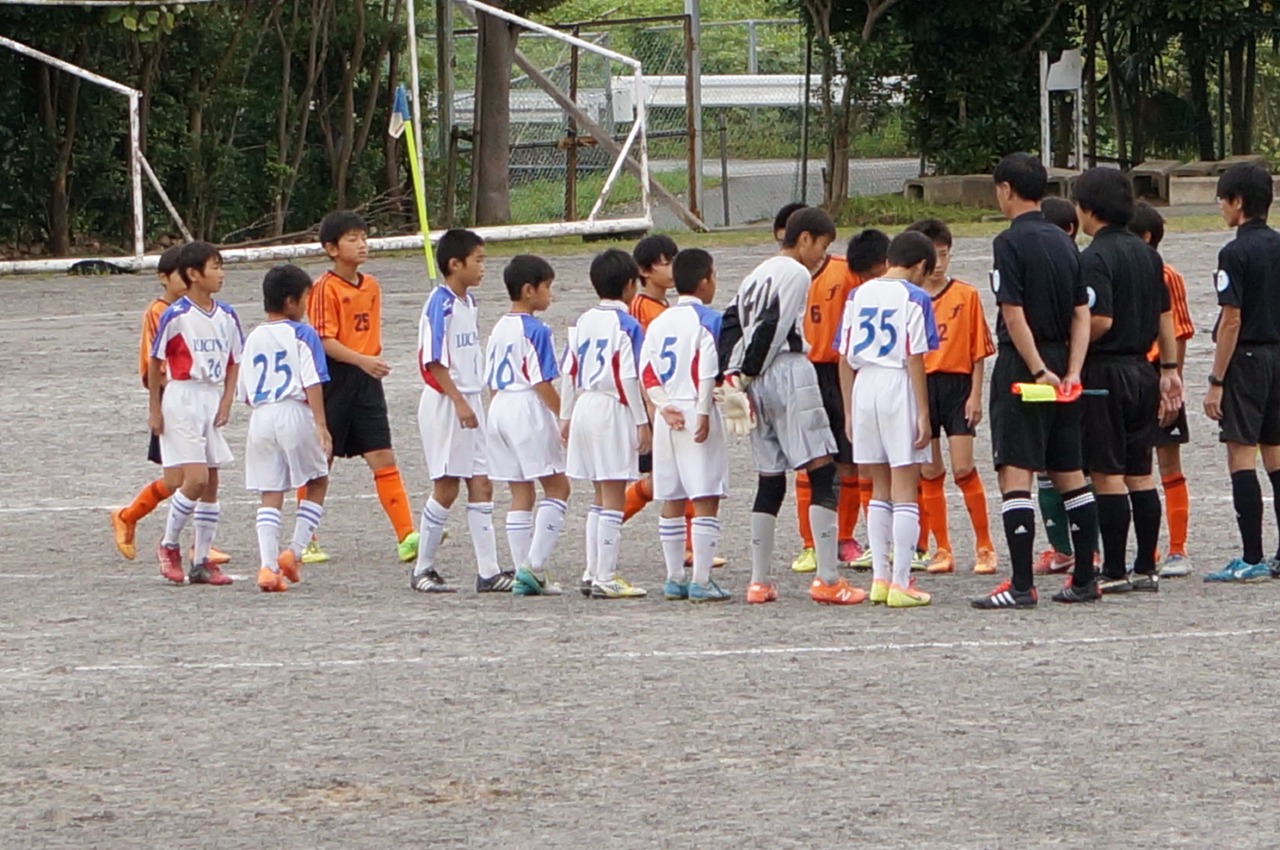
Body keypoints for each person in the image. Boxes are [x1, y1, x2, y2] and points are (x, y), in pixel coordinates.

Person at [971, 154, 1099, 609]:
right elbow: (1081, 313)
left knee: (1016, 470)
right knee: (1069, 471)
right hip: (1065, 362)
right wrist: (1072, 370)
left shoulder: (1009, 242)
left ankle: (1022, 584)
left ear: (1006, 189)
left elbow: (1012, 312)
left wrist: (1038, 368)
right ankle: (1085, 578)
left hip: (1024, 367)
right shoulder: (1065, 241)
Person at [720, 206, 866, 605]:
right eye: (821, 245)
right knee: (822, 470)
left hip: (756, 380)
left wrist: (730, 375)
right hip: (785, 369)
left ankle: (759, 581)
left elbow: (730, 321)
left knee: (770, 478)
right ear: (804, 239)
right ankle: (828, 578)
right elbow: (774, 324)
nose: (822, 255)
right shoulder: (796, 273)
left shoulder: (756, 273)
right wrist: (747, 371)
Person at [1073, 168, 1182, 596]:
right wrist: (1168, 369)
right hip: (1143, 369)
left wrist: (1070, 344)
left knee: (1107, 473)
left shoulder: (1094, 257)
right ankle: (1145, 566)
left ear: (1088, 208)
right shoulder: (1147, 254)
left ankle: (1114, 568)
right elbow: (1164, 318)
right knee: (1140, 472)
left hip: (1105, 371)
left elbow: (1099, 319)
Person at [304, 210, 418, 565]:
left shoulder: (371, 285)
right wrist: (361, 360)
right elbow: (323, 340)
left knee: (382, 455)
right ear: (332, 249)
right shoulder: (324, 288)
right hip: (336, 378)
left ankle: (407, 535)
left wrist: (369, 362)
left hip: (367, 380)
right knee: (321, 460)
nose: (362, 245)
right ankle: (304, 539)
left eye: (364, 237)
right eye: (352, 239)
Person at [111, 246, 229, 567]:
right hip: (173, 399)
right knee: (181, 479)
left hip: (195, 401)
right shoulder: (161, 313)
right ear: (165, 278)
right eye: (178, 275)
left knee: (199, 474)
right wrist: (163, 402)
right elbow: (155, 361)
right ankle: (129, 516)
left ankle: (198, 546)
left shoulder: (201, 312)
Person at [838, 231, 939, 607]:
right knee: (905, 485)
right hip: (898, 384)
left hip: (864, 385)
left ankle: (880, 577)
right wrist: (923, 412)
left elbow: (843, 355)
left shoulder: (857, 294)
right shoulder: (914, 297)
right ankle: (901, 582)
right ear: (920, 266)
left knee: (878, 485)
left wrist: (849, 410)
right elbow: (915, 356)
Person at [410, 229, 507, 594]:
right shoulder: (441, 304)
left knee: (482, 482)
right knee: (447, 487)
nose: (483, 267)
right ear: (455, 264)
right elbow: (432, 360)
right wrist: (458, 401)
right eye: (478, 260)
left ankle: (489, 572)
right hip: (447, 403)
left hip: (470, 399)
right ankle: (422, 568)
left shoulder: (469, 302)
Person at [790, 226, 889, 575]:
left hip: (842, 372)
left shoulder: (845, 271)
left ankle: (844, 537)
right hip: (806, 372)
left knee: (849, 461)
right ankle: (810, 544)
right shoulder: (787, 277)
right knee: (809, 459)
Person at [904, 219, 998, 576]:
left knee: (963, 467)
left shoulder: (966, 295)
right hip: (921, 387)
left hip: (957, 387)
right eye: (933, 256)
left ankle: (985, 545)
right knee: (929, 470)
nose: (939, 263)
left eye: (944, 255)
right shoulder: (908, 299)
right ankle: (941, 547)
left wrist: (975, 395)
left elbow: (978, 351)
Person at [149, 241, 244, 586]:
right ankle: (169, 543)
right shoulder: (176, 315)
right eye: (214, 267)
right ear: (193, 273)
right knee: (196, 477)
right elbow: (155, 360)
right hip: (182, 398)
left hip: (210, 397)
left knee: (212, 481)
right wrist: (155, 408)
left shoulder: (227, 315)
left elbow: (234, 360)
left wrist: (227, 399)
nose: (221, 274)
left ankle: (202, 560)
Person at [1202, 163, 1280, 582]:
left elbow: (1231, 319)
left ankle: (1251, 556)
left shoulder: (1234, 253)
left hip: (1247, 358)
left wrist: (1216, 380)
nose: (1220, 207)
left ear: (1238, 202)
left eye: (1222, 200)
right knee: (1276, 453)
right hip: (1277, 356)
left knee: (1241, 453)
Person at [640, 247, 731, 602]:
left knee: (672, 493)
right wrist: (704, 412)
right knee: (705, 493)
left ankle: (674, 576)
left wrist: (663, 406)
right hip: (694, 406)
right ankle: (702, 579)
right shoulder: (709, 320)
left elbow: (646, 370)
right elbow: (707, 368)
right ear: (705, 281)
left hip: (668, 414)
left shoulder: (660, 321)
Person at [560, 249, 652, 599]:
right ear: (630, 285)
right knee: (613, 494)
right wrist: (642, 421)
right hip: (612, 407)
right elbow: (630, 376)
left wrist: (565, 416)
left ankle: (592, 570)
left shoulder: (583, 321)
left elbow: (568, 371)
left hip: (585, 404)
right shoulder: (627, 325)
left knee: (599, 494)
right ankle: (606, 575)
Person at [238, 264, 332, 593]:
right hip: (294, 411)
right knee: (318, 480)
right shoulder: (302, 334)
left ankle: (267, 567)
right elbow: (312, 380)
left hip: (261, 417)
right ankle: (294, 550)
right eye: (305, 299)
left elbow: (245, 393)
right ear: (292, 301)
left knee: (270, 492)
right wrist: (321, 424)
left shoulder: (252, 338)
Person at [484, 254, 570, 596]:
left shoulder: (498, 327)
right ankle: (533, 567)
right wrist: (564, 415)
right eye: (547, 287)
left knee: (521, 491)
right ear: (528, 290)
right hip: (525, 407)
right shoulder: (536, 330)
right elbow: (541, 381)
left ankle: (523, 571)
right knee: (558, 487)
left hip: (499, 407)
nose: (551, 294)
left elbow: (491, 380)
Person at [1128, 202, 1196, 577]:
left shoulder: (1166, 276)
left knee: (1168, 461)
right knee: (1134, 463)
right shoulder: (1123, 271)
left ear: (1145, 237)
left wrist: (1173, 383)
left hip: (1159, 371)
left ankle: (1177, 549)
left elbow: (1180, 333)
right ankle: (1148, 549)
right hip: (1131, 372)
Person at [1032, 196, 1082, 575]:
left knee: (1075, 466)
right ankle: (1062, 549)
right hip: (1057, 368)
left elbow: (1090, 319)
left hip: (1068, 371)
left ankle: (1085, 549)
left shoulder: (1078, 266)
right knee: (1046, 467)